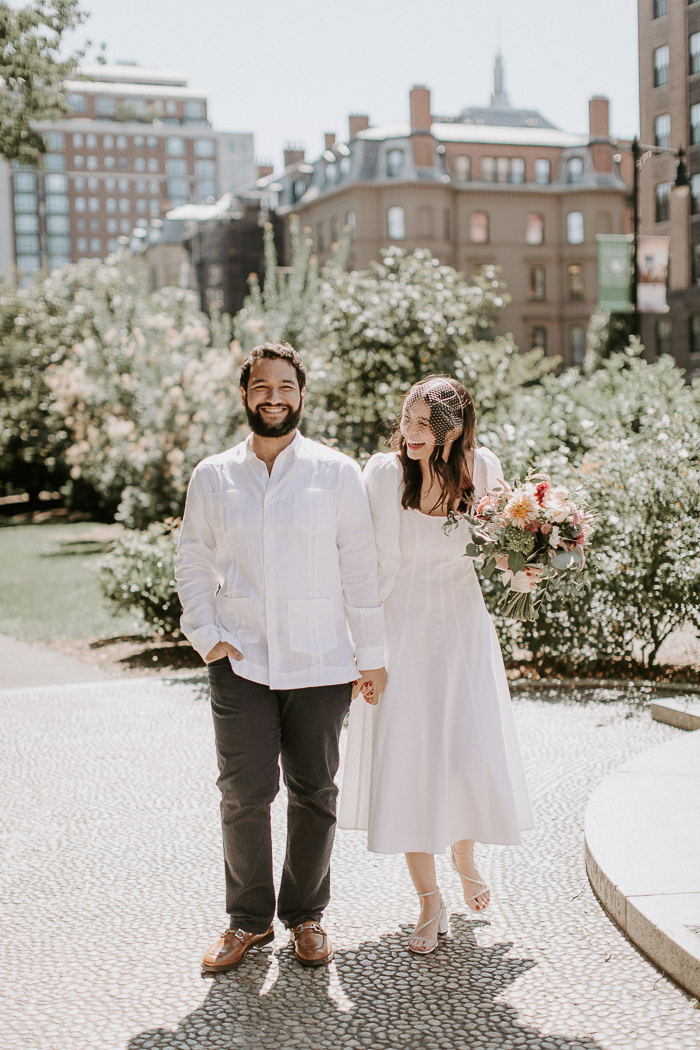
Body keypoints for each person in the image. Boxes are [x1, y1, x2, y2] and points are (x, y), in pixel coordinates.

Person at [176, 342, 387, 973]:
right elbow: (192, 558)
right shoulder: (214, 475)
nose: (275, 396)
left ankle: (306, 917)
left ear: (301, 393)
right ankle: (246, 921)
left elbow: (360, 566)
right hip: (240, 658)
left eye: (286, 386)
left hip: (322, 659)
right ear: (246, 395)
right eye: (262, 386)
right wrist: (206, 633)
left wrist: (370, 655)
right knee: (243, 793)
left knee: (314, 790)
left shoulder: (336, 472)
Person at [339, 375, 536, 955]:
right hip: (403, 631)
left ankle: (465, 851)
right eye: (407, 419)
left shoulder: (483, 469)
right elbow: (367, 568)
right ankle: (429, 901)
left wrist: (528, 566)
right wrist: (365, 652)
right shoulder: (382, 473)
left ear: (454, 430)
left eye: (425, 424)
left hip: (461, 625)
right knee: (409, 759)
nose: (411, 433)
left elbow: (504, 549)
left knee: (468, 750)